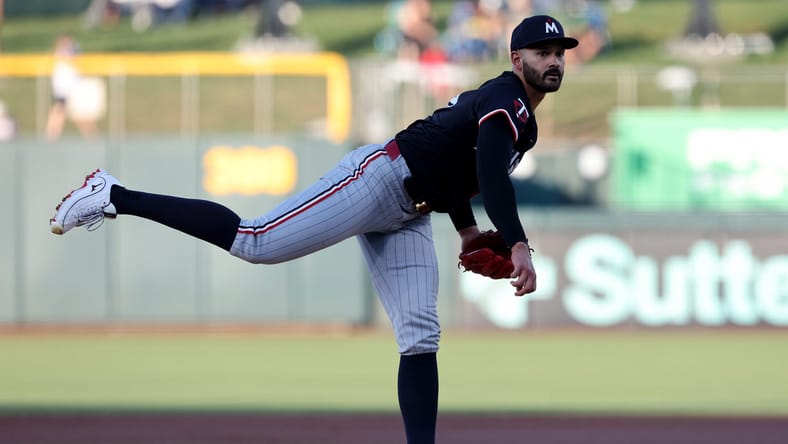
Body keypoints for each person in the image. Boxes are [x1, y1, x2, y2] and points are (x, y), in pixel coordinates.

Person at [49, 15, 578, 444]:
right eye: (541, 52)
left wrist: (466, 231)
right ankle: (113, 195)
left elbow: (453, 171)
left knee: (420, 336)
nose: (553, 60)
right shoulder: (506, 97)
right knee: (254, 240)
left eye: (559, 53)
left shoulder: (521, 119)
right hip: (378, 178)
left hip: (412, 209)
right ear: (516, 58)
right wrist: (518, 244)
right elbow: (487, 174)